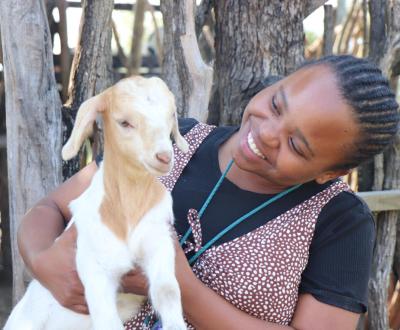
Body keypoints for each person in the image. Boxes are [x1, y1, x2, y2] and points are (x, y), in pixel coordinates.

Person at [17, 55, 399, 329]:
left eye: (296, 146)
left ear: (330, 171)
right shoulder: (172, 144)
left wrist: (184, 290)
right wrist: (42, 261)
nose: (266, 134)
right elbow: (53, 207)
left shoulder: (340, 221)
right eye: (277, 103)